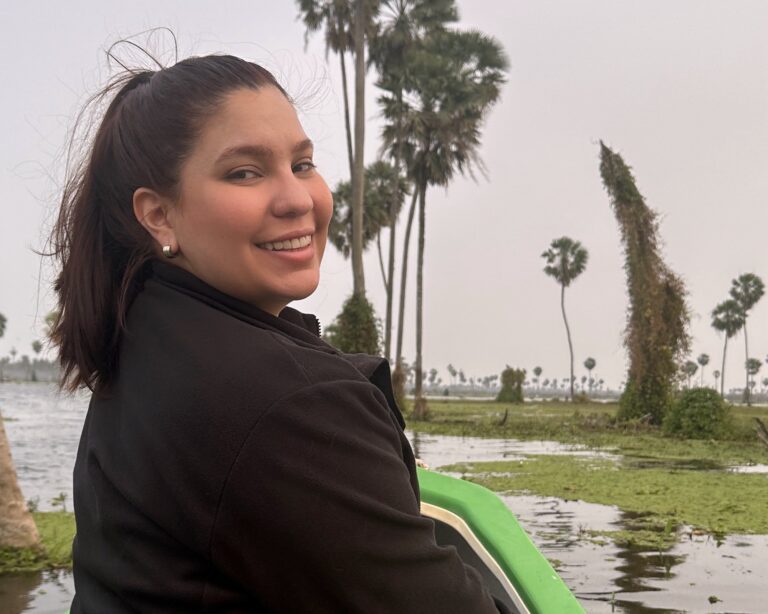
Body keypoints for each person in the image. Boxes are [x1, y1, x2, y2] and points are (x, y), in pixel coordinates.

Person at [50, 53, 508, 613]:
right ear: (159, 216)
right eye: (245, 171)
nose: (297, 199)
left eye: (303, 164)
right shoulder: (286, 404)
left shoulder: (142, 338)